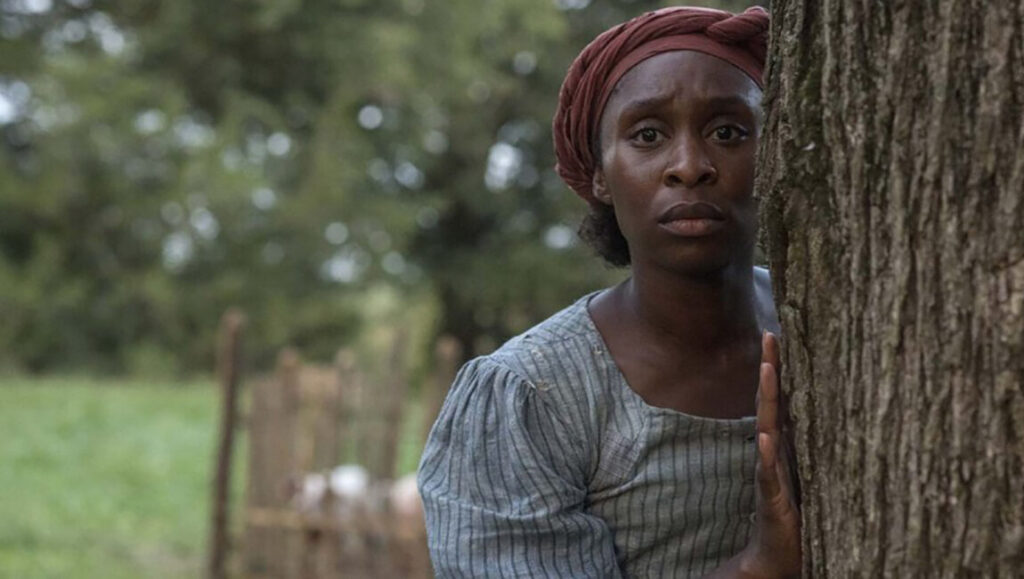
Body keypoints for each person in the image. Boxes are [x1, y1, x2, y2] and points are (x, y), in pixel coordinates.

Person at [418, 6, 801, 577]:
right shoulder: (530, 398)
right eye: (647, 135)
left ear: (771, 154)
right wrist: (761, 567)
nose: (689, 166)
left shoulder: (818, 327)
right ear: (599, 171)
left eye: (728, 132)